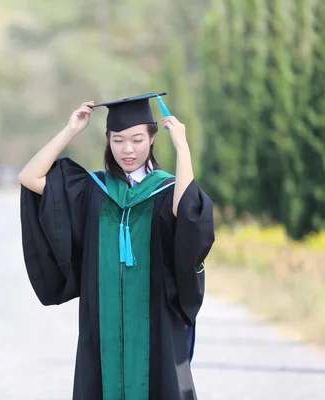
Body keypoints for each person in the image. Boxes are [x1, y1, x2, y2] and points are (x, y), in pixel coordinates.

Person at [18, 92, 215, 400]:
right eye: (118, 139)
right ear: (107, 140)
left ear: (152, 138)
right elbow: (29, 176)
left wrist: (182, 146)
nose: (127, 149)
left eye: (137, 139)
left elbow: (189, 212)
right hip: (103, 325)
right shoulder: (92, 191)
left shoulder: (164, 191)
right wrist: (70, 130)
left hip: (157, 324)